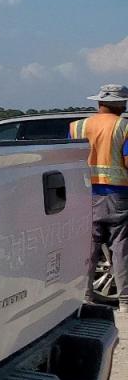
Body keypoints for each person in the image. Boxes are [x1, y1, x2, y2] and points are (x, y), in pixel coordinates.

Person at [70, 84, 128, 311]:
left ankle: (84, 297)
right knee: (120, 247)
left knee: (88, 247)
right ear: (121, 104)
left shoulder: (77, 127)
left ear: (99, 102)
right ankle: (124, 300)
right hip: (118, 194)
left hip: (84, 194)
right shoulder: (124, 127)